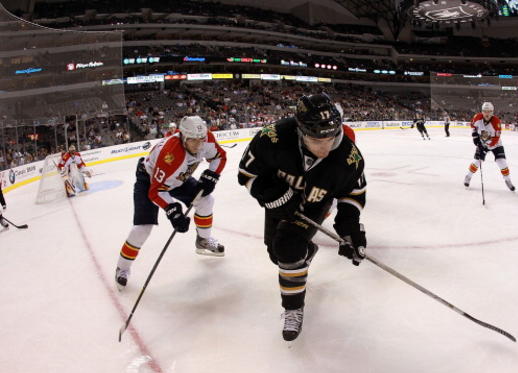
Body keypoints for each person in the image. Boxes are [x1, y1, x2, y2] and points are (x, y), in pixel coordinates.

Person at [237, 93, 367, 342]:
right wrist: (270, 193)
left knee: (287, 248)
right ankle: (304, 253)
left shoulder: (349, 157)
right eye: (317, 140)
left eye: (331, 137)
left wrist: (350, 229)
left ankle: (293, 307)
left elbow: (353, 194)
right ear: (300, 130)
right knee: (276, 253)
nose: (325, 147)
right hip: (279, 201)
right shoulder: (272, 138)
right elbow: (247, 173)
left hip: (314, 205)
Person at [115, 115, 227, 290]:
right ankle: (122, 268)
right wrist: (173, 211)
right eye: (193, 141)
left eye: (201, 140)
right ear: (183, 136)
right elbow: (156, 190)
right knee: (142, 229)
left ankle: (203, 241)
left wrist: (212, 174)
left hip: (178, 177)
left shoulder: (206, 138)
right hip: (150, 180)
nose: (198, 145)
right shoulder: (170, 153)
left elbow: (220, 156)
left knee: (206, 200)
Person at [464, 102, 515, 191]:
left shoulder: (496, 122)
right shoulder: (477, 117)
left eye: (489, 112)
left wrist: (486, 144)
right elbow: (473, 126)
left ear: (492, 112)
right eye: (485, 111)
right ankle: (468, 176)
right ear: (482, 112)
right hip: (482, 142)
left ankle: (508, 180)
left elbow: (496, 138)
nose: (487, 114)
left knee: (502, 162)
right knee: (477, 161)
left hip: (496, 144)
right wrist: (475, 137)